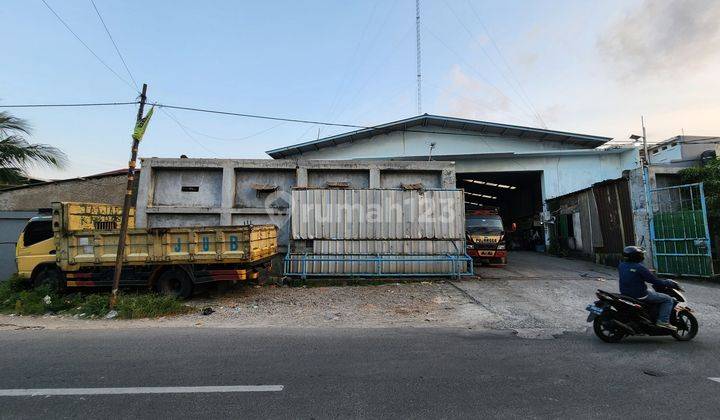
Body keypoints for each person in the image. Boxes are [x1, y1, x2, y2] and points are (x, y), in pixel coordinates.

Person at [618, 246, 677, 331]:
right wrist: (669, 283)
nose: (642, 256)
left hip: (625, 293)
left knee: (651, 292)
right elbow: (655, 281)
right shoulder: (639, 268)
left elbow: (632, 273)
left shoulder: (622, 265)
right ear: (636, 256)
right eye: (641, 254)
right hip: (640, 295)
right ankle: (663, 322)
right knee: (668, 299)